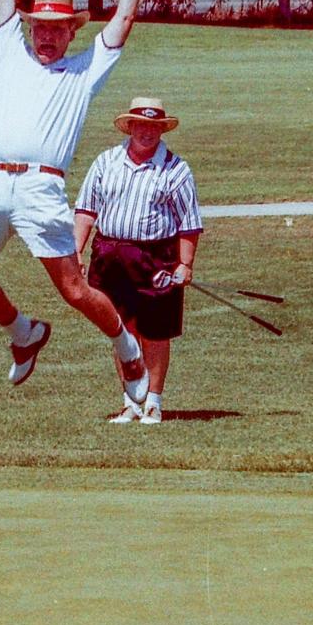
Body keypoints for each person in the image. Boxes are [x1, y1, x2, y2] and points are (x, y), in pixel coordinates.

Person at [0, 0, 155, 406]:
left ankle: (127, 349)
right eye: (40, 27)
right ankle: (24, 332)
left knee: (73, 289)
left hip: (42, 187)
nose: (46, 36)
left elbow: (122, 22)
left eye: (57, 29)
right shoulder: (9, 52)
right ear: (31, 28)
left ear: (71, 33)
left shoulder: (83, 73)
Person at [74, 96, 202, 426]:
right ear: (130, 126)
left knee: (155, 333)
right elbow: (86, 210)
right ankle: (131, 402)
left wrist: (184, 264)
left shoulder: (176, 169)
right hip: (110, 256)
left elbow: (189, 223)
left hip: (157, 258)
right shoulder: (105, 162)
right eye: (141, 125)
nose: (147, 133)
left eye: (154, 127)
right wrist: (75, 252)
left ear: (162, 130)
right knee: (122, 332)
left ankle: (153, 404)